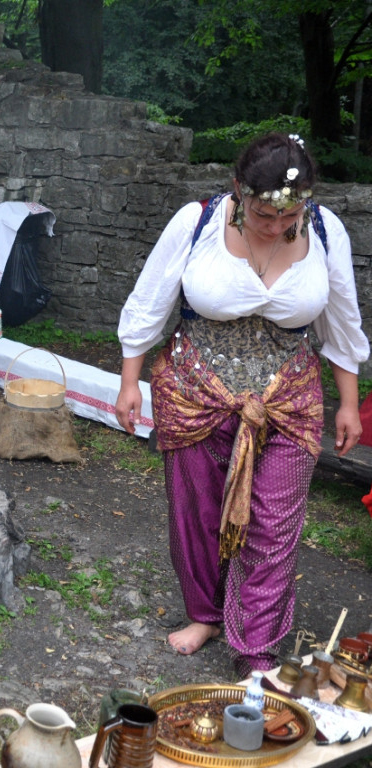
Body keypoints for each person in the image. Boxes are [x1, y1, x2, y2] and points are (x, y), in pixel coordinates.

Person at [115, 133, 369, 676]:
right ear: (238, 191)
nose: (276, 226)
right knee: (199, 511)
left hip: (288, 397)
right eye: (261, 214)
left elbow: (343, 323)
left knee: (273, 524)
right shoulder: (198, 221)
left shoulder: (326, 231)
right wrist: (129, 381)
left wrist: (348, 402)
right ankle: (206, 613)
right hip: (195, 389)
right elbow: (149, 300)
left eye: (289, 215)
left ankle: (256, 647)